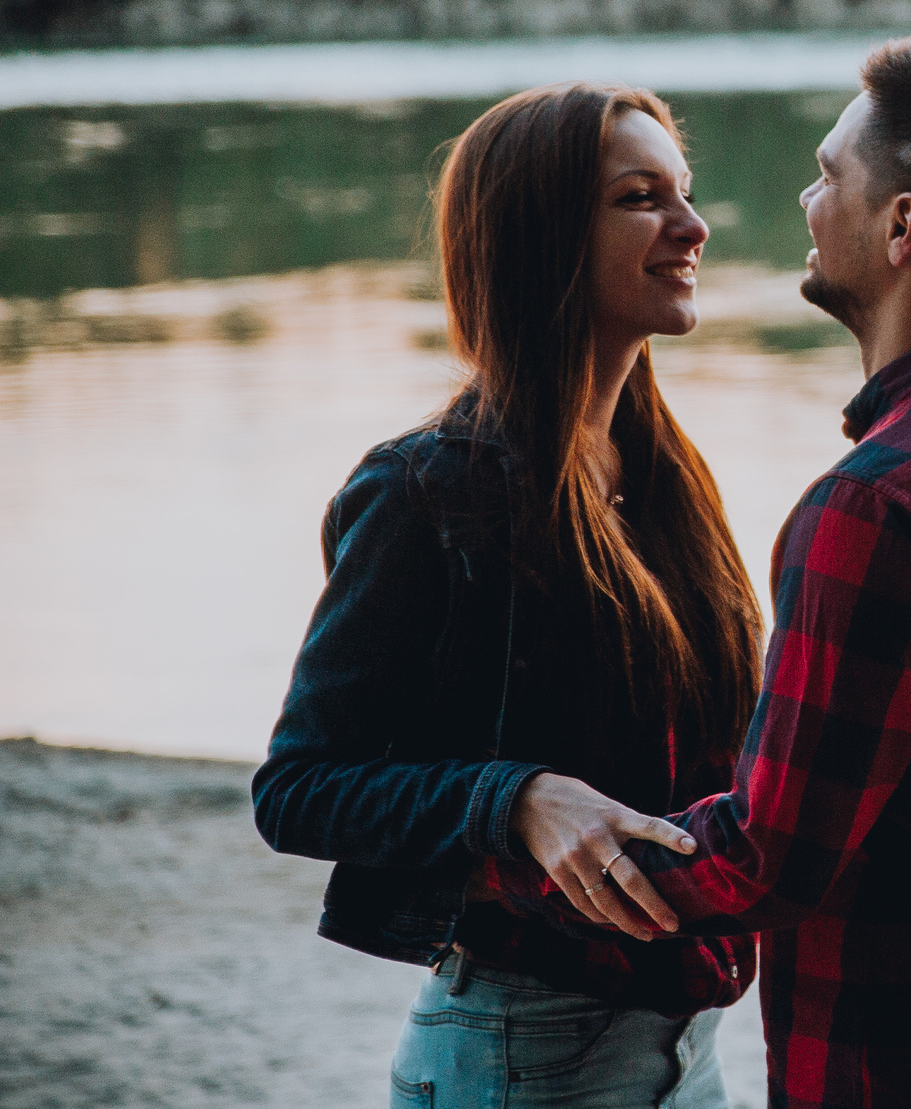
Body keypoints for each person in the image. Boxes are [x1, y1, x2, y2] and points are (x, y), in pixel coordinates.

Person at [501, 37, 911, 1109]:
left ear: (902, 225)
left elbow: (767, 859)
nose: (807, 197)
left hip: (910, 1074)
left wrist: (523, 854)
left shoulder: (876, 504)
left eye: (830, 174)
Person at [253, 83, 766, 1107]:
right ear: (542, 239)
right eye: (641, 197)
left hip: (691, 1050)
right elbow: (297, 788)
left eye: (684, 191)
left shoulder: (667, 473)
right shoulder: (423, 489)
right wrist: (515, 799)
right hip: (518, 1056)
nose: (693, 226)